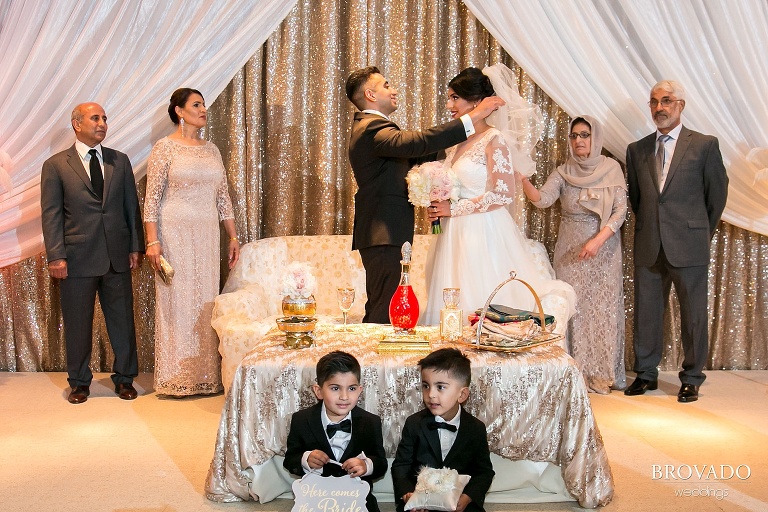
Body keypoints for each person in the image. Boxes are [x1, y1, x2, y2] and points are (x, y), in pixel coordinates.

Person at [345, 66, 504, 324]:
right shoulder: (370, 128)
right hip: (382, 231)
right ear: (370, 95)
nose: (393, 90)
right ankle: (374, 362)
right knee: (383, 309)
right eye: (386, 85)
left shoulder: (372, 127)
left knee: (383, 304)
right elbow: (416, 143)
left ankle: (376, 361)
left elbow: (416, 154)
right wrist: (472, 117)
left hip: (387, 232)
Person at [422, 66, 575, 325]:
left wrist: (454, 209)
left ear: (477, 102)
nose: (449, 104)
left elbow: (503, 194)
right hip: (452, 234)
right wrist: (439, 203)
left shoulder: (494, 139)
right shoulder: (457, 141)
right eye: (449, 97)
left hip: (481, 233)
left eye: (455, 97)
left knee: (479, 301)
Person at [625, 80, 728, 403]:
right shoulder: (637, 149)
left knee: (694, 314)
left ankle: (692, 377)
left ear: (680, 105)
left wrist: (699, 231)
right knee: (646, 314)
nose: (660, 108)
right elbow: (639, 200)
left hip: (690, 243)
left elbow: (717, 195)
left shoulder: (704, 145)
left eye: (666, 101)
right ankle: (646, 374)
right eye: (654, 102)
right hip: (650, 243)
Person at [40, 102, 144, 404]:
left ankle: (125, 379)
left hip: (117, 255)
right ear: (77, 123)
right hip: (76, 258)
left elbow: (130, 207)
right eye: (95, 118)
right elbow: (52, 215)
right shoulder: (57, 165)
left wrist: (134, 246)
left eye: (104, 118)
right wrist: (56, 255)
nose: (102, 123)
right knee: (77, 323)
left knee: (123, 321)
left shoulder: (120, 161)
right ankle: (79, 382)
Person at [520, 116, 627, 394]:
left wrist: (598, 240)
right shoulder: (563, 171)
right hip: (570, 249)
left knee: (601, 311)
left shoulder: (611, 168)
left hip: (604, 248)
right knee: (573, 309)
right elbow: (542, 200)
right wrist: (522, 179)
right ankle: (575, 372)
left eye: (585, 135)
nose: (579, 141)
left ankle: (600, 375)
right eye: (574, 136)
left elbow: (620, 211)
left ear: (596, 138)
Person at [144, 88, 240, 397]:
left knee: (204, 301)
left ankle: (204, 375)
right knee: (178, 301)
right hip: (174, 233)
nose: (203, 109)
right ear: (179, 111)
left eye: (203, 104)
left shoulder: (211, 149)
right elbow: (152, 200)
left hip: (207, 234)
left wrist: (233, 237)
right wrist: (152, 242)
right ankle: (175, 377)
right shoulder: (165, 148)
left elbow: (223, 196)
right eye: (196, 105)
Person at [391, 348, 495, 512]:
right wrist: (408, 494)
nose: (431, 394)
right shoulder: (414, 423)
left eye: (440, 387)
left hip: (459, 500)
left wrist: (467, 498)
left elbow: (484, 472)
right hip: (421, 499)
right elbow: (401, 465)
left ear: (462, 395)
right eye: (426, 386)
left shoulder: (475, 428)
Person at [283, 351, 387, 512]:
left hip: (357, 499)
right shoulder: (302, 420)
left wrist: (366, 466)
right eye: (335, 388)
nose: (344, 396)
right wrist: (306, 459)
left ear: (360, 390)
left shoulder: (370, 422)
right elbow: (290, 459)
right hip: (316, 498)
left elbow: (380, 463)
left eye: (351, 388)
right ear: (318, 391)